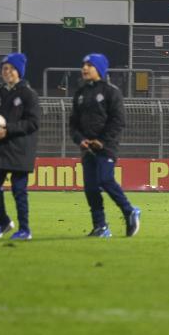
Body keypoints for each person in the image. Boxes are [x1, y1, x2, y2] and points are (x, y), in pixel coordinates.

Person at [70, 53, 141, 237]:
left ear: (99, 69)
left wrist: (102, 141)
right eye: (83, 65)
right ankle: (101, 226)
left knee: (105, 179)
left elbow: (118, 121)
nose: (84, 68)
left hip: (106, 147)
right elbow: (73, 124)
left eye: (89, 65)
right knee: (91, 188)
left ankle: (129, 211)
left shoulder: (111, 91)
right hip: (87, 149)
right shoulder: (80, 94)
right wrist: (80, 139)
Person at [0, 53, 40, 240]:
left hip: (21, 149)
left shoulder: (29, 94)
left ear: (19, 71)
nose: (7, 72)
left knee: (19, 190)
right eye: (4, 68)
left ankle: (25, 229)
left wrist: (8, 129)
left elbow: (33, 123)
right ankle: (3, 221)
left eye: (11, 68)